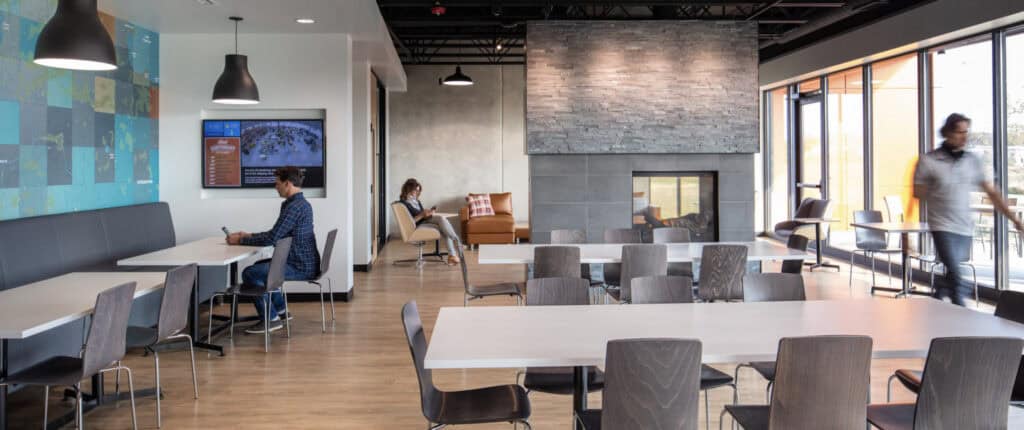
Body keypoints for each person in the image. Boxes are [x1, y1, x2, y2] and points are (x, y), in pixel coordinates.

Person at [913, 113, 1024, 306]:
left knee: (952, 275)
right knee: (956, 274)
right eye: (959, 132)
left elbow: (992, 193)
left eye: (966, 132)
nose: (964, 137)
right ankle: (962, 312)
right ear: (947, 133)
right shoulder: (929, 160)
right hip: (941, 225)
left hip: (964, 228)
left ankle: (935, 300)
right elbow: (917, 192)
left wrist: (1015, 220)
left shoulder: (973, 161)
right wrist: (932, 188)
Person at [227, 166, 320, 333]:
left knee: (251, 273)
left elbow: (272, 238)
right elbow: (275, 233)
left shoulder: (294, 207)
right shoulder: (296, 204)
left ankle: (271, 319)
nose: (274, 186)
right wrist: (248, 235)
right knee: (259, 267)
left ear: (288, 184)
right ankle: (281, 311)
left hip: (300, 266)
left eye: (277, 183)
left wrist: (241, 240)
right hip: (300, 261)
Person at [399, 178, 462, 265]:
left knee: (442, 220)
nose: (417, 193)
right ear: (408, 189)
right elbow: (409, 222)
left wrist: (429, 213)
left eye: (418, 191)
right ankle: (455, 245)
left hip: (424, 220)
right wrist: (422, 215)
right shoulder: (403, 203)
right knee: (442, 224)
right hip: (417, 225)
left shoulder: (416, 201)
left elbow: (422, 214)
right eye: (415, 190)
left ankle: (453, 253)